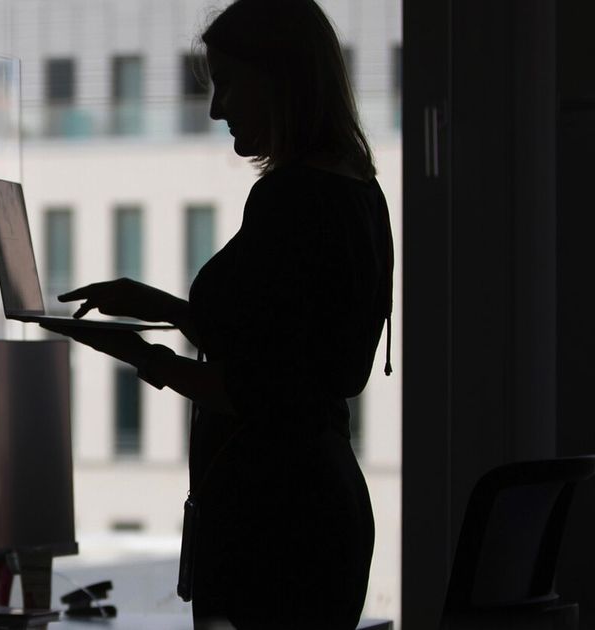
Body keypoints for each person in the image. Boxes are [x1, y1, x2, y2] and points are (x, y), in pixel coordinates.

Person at [40, 0, 394, 628]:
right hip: (318, 504)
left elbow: (261, 390)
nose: (215, 108)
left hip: (274, 519)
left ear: (281, 82)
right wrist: (160, 307)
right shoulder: (357, 191)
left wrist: (139, 355)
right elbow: (280, 347)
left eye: (229, 84)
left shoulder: (290, 200)